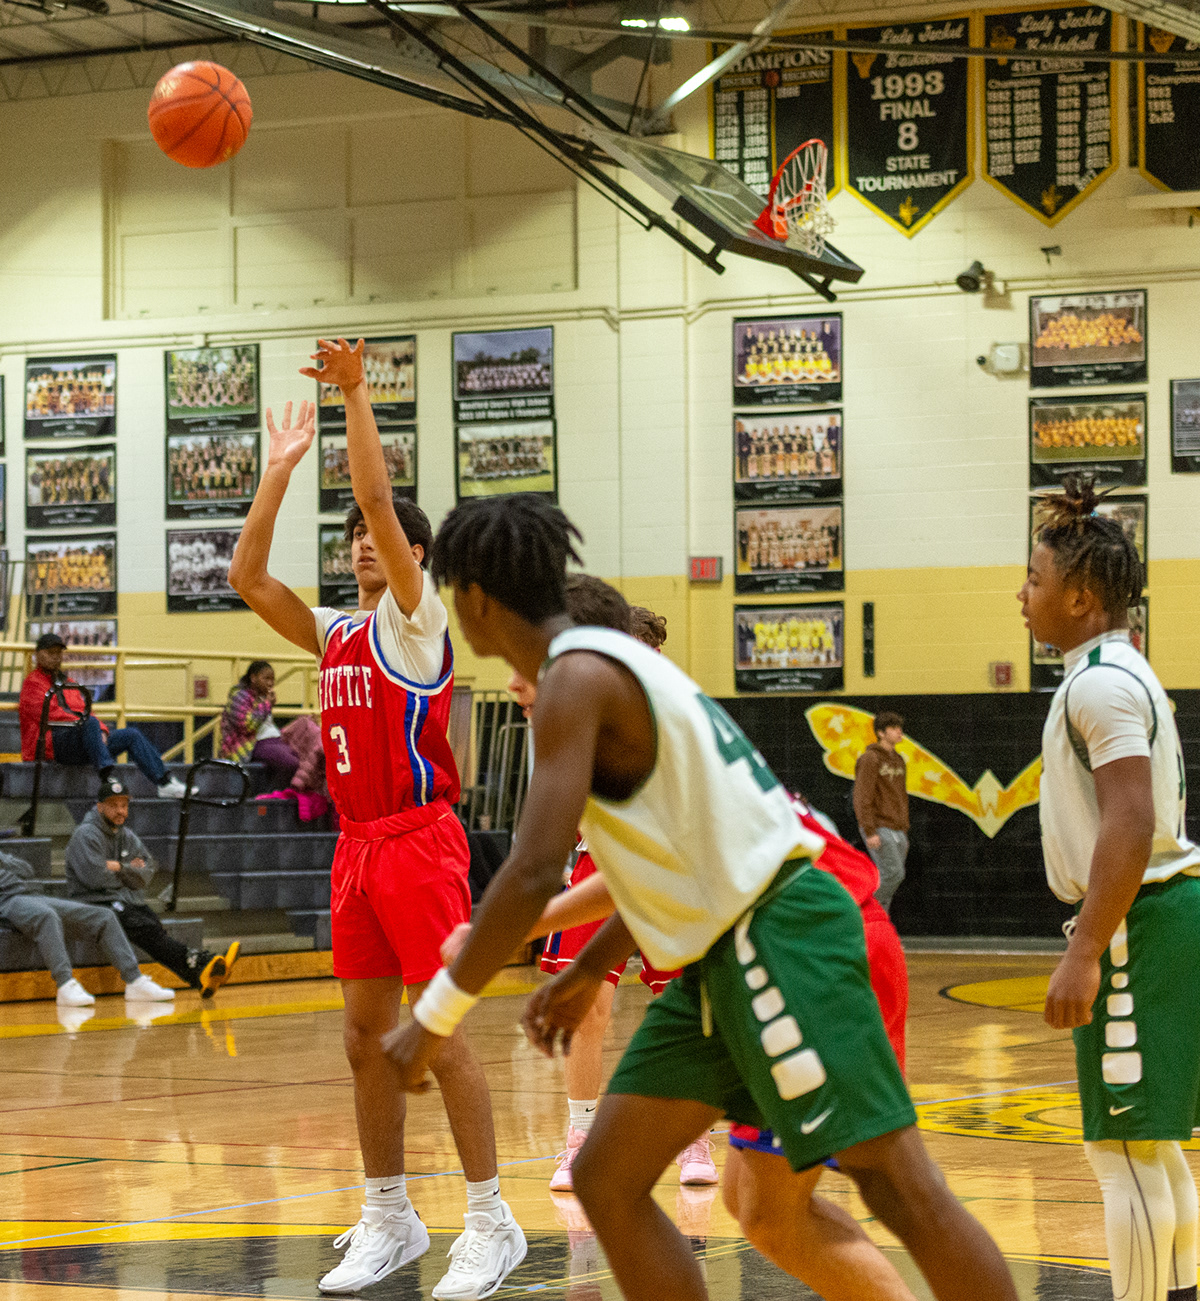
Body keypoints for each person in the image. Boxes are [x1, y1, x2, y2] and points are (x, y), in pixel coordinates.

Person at [383, 493, 1018, 1301]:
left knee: (898, 1185)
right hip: (722, 951)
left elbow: (539, 866)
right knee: (609, 1177)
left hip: (779, 934)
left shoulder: (574, 678)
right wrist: (581, 973)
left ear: (473, 597)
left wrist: (433, 1018)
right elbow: (662, 866)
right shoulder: (602, 671)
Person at [228, 342, 525, 1300]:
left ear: (412, 556)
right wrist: (275, 473)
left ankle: (491, 1220)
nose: (363, 540)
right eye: (353, 532)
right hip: (354, 847)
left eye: (379, 532)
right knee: (365, 1038)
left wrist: (356, 394)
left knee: (440, 1034)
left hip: (420, 840)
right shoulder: (334, 630)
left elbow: (381, 504)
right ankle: (389, 1213)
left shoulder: (415, 618)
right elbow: (246, 575)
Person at [1021, 473, 1200, 1301]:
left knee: (1122, 1150)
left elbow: (1128, 822)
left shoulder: (1098, 682)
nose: (1022, 595)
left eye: (1035, 580)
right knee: (1155, 1147)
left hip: (1136, 921)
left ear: (1083, 595)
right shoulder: (1116, 671)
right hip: (1156, 914)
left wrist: (1087, 947)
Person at [507, 580, 707, 1192]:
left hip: (679, 873)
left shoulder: (673, 724)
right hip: (602, 868)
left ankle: (693, 1137)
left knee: (681, 1004)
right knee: (587, 1005)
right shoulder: (573, 718)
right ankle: (580, 1137)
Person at [64, 776, 239, 999]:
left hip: (121, 900)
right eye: (114, 805)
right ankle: (199, 961)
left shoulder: (126, 835)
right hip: (91, 903)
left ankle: (198, 976)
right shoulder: (85, 835)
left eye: (124, 805)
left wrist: (118, 867)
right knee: (143, 926)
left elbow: (147, 872)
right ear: (99, 807)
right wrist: (129, 872)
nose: (120, 811)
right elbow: (95, 878)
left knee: (151, 925)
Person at [0, 846, 174, 1006]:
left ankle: (135, 981)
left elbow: (26, 870)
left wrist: (2, 859)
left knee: (104, 916)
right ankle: (65, 984)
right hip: (7, 902)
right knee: (46, 916)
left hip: (31, 895)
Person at [20, 633, 186, 798]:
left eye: (58, 653)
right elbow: (49, 715)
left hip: (80, 740)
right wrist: (86, 724)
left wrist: (102, 730)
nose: (55, 657)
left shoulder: (68, 682)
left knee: (131, 735)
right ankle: (106, 775)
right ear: (37, 655)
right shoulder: (32, 683)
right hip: (52, 745)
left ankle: (165, 783)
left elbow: (87, 710)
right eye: (50, 653)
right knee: (90, 723)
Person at [853, 710, 909, 912]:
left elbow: (900, 796)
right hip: (879, 826)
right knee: (894, 874)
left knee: (889, 881)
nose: (899, 732)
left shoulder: (899, 760)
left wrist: (904, 827)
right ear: (881, 733)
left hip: (898, 828)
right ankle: (860, 911)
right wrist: (869, 830)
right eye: (893, 728)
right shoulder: (870, 759)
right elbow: (862, 796)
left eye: (899, 728)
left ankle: (878, 933)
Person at [218, 660, 302, 790]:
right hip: (253, 744)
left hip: (274, 740)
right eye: (266, 678)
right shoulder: (239, 696)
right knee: (291, 763)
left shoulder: (262, 697)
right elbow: (246, 725)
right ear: (253, 678)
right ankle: (270, 798)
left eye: (272, 679)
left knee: (304, 757)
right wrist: (267, 705)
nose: (270, 683)